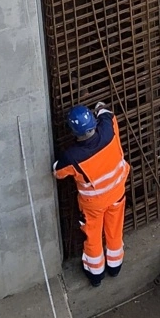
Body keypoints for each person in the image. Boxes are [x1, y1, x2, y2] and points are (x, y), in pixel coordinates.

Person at [53, 101, 129, 288]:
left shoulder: (73, 156)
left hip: (93, 205)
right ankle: (115, 266)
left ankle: (95, 274)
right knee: (114, 230)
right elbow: (107, 113)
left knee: (93, 236)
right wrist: (99, 108)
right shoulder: (108, 129)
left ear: (73, 132)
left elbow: (58, 172)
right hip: (117, 192)